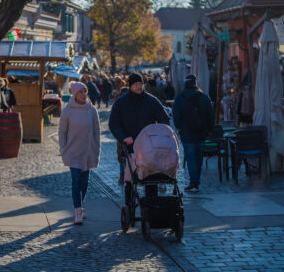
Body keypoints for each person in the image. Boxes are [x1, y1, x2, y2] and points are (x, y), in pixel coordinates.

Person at [109, 73, 170, 206]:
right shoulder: (121, 102)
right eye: (136, 84)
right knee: (130, 180)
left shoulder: (151, 101)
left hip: (150, 147)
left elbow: (164, 119)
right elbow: (114, 123)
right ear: (130, 85)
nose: (139, 86)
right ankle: (129, 206)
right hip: (130, 147)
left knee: (151, 179)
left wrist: (156, 134)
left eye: (140, 84)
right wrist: (124, 137)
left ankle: (152, 209)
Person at [58, 82, 100, 225]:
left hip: (87, 151)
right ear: (74, 94)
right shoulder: (68, 110)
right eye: (81, 92)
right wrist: (63, 149)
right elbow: (62, 132)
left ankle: (81, 205)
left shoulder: (91, 110)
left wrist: (96, 149)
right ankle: (77, 211)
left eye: (85, 91)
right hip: (73, 152)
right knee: (76, 182)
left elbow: (96, 132)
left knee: (84, 183)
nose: (84, 94)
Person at [172, 74, 215, 193]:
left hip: (187, 132)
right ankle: (196, 181)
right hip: (201, 132)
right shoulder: (204, 97)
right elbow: (211, 114)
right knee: (198, 157)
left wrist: (179, 127)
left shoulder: (180, 97)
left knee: (190, 158)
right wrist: (209, 129)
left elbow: (176, 114)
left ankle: (193, 182)